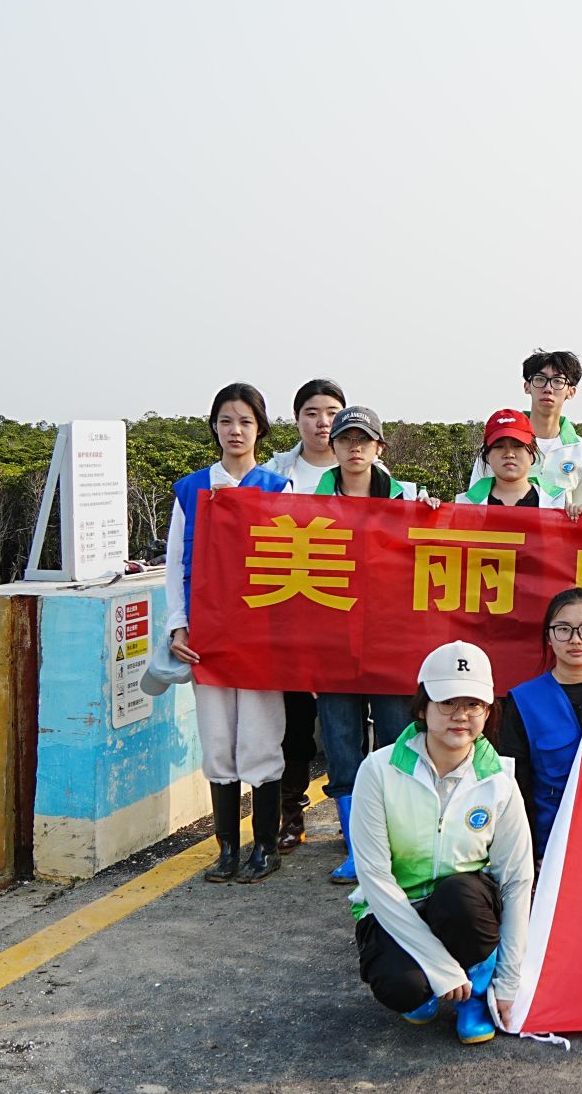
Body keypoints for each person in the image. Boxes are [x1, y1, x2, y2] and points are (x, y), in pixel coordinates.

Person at [349, 642, 534, 1044]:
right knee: (402, 988)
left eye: (474, 704)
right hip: (397, 908)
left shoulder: (500, 780)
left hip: (463, 910)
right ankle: (434, 985)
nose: (461, 715)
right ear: (422, 707)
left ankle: (476, 993)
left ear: (489, 711)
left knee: (460, 896)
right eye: (448, 702)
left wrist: (509, 981)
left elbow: (517, 881)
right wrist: (438, 967)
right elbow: (375, 879)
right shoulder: (378, 771)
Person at [166, 384, 294, 884]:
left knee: (261, 739)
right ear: (214, 427)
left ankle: (265, 845)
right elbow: (175, 565)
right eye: (225, 421)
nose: (235, 430)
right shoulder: (190, 490)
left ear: (260, 428)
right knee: (218, 741)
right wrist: (178, 625)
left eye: (245, 421)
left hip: (261, 635)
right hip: (208, 636)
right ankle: (226, 848)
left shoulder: (278, 488)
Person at [312, 405, 428, 885]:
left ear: (379, 447)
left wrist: (436, 514)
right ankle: (357, 847)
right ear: (333, 447)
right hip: (333, 644)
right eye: (345, 439)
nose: (354, 448)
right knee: (341, 743)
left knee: (398, 739)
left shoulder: (409, 499)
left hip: (391, 643)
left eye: (364, 440)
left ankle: (395, 841)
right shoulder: (307, 502)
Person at [261, 378, 345, 852]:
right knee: (294, 726)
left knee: (347, 727)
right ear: (296, 420)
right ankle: (290, 815)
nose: (322, 422)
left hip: (346, 619)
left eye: (332, 412)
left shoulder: (370, 471)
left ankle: (355, 820)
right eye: (312, 412)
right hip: (292, 615)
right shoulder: (274, 473)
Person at [491, 590, 582, 861]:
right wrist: (528, 856)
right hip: (549, 847)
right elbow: (516, 788)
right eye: (563, 629)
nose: (575, 639)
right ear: (549, 636)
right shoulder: (524, 701)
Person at [467, 351, 582, 510]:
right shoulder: (497, 444)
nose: (548, 388)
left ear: (571, 391)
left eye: (558, 381)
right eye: (540, 379)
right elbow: (474, 505)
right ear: (527, 386)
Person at [460, 409, 567, 509]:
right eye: (499, 446)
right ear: (487, 456)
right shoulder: (464, 506)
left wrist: (574, 515)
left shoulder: (560, 504)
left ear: (532, 453)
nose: (509, 454)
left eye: (518, 446)